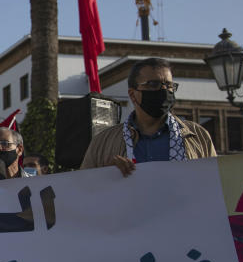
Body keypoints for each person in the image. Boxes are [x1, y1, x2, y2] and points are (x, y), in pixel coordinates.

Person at [81, 58, 216, 175]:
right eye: (153, 84)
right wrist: (105, 174)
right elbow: (83, 190)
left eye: (169, 85)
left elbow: (215, 185)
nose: (163, 90)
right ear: (133, 95)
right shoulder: (104, 142)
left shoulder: (198, 136)